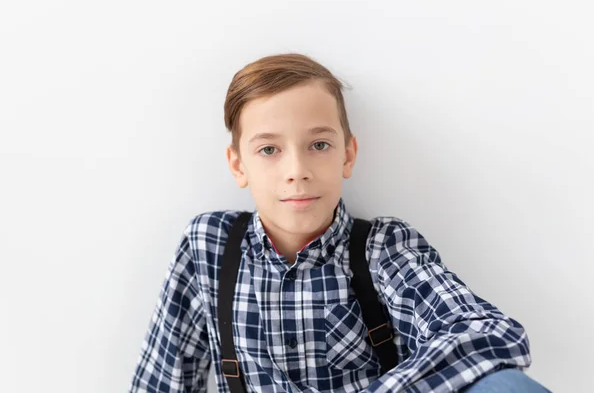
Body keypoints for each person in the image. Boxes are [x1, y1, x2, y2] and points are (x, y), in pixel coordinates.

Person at [128, 53, 550, 392]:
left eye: (318, 144)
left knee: (506, 385)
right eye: (269, 150)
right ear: (238, 165)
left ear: (347, 155)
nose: (297, 170)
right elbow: (161, 382)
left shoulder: (384, 247)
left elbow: (488, 334)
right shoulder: (210, 245)